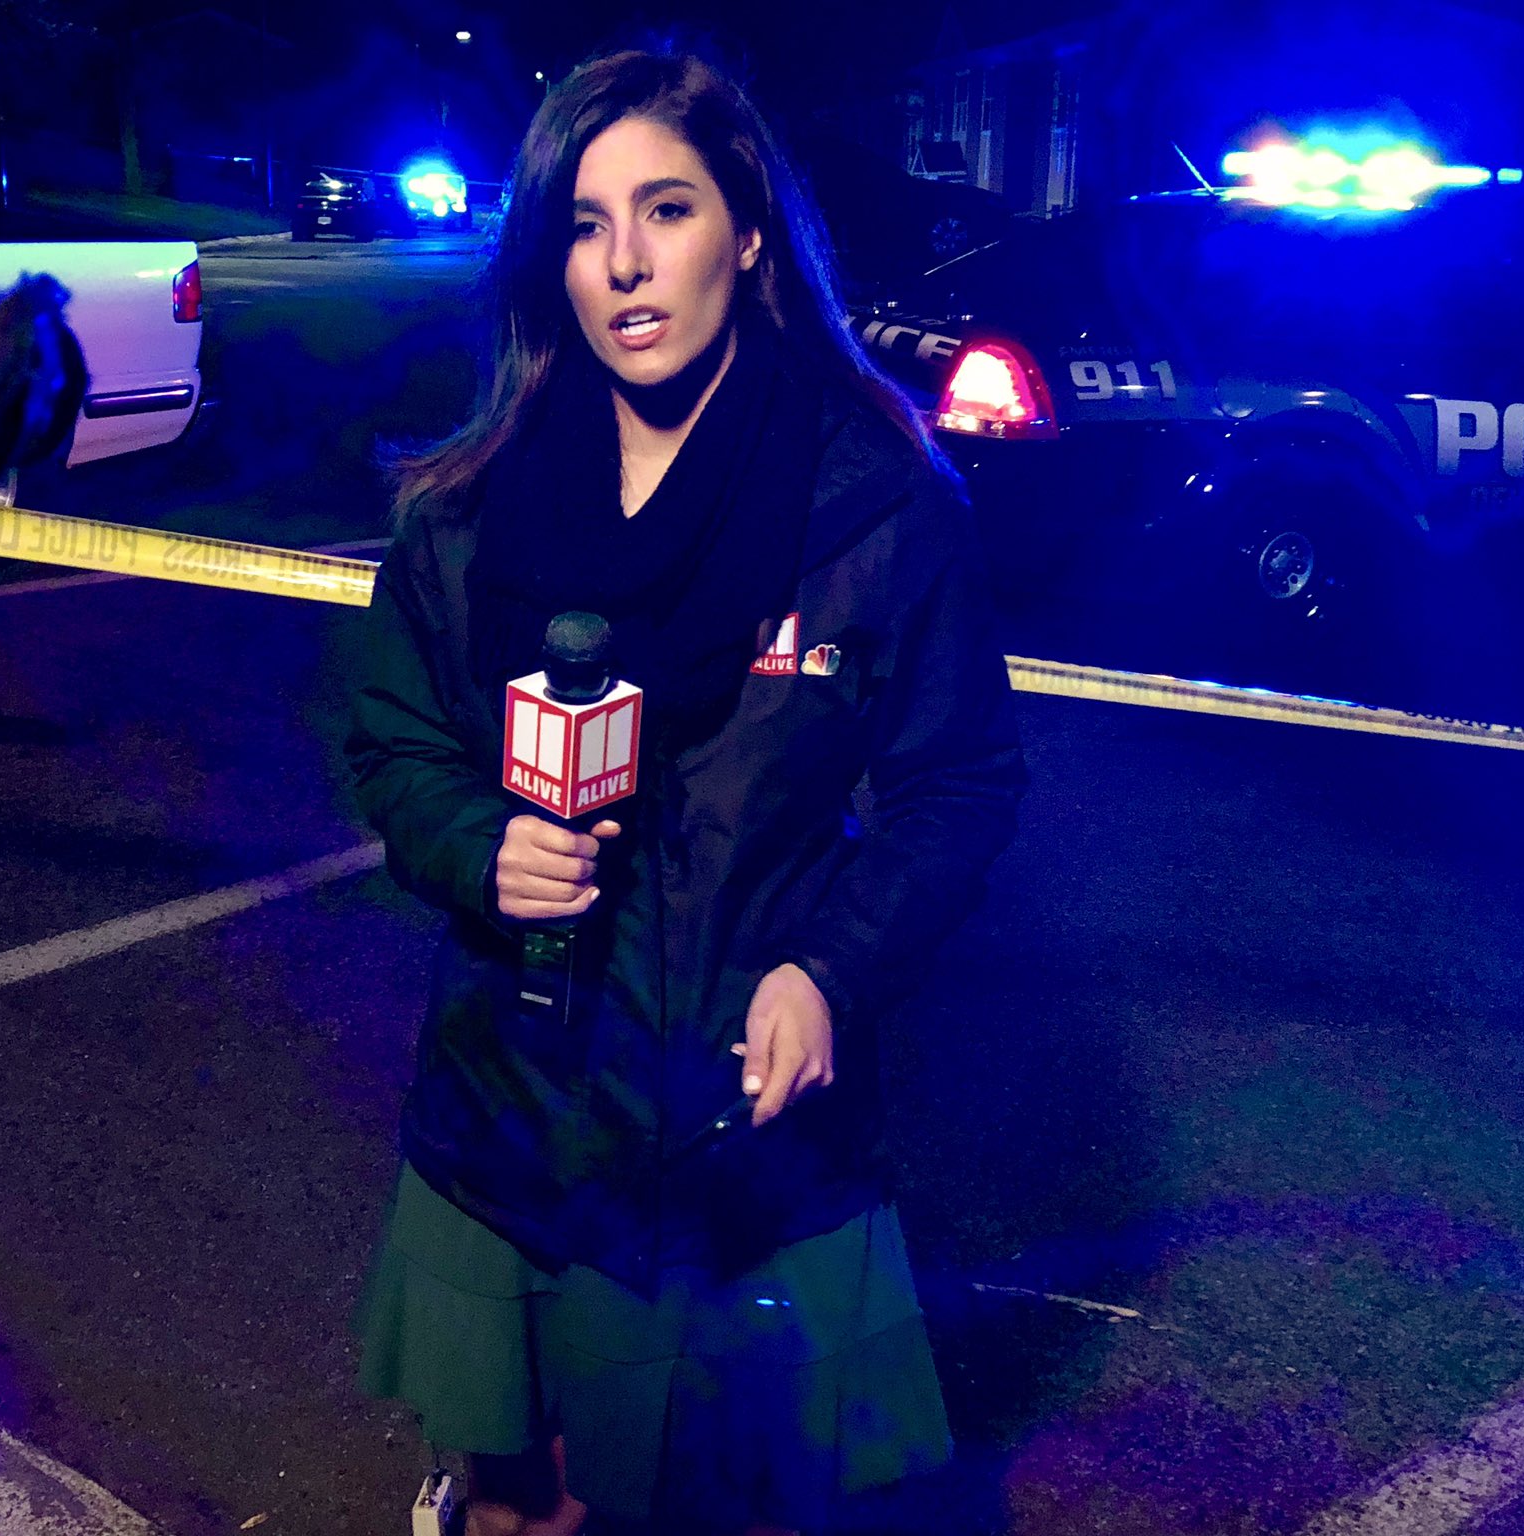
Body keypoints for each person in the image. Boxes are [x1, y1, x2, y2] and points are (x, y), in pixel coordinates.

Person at [346, 47, 1025, 1536]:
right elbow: (395, 742)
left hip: (750, 1150)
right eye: (585, 225)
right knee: (520, 1509)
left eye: (667, 210)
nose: (625, 265)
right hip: (513, 1121)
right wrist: (477, 845)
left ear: (751, 234)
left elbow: (958, 781)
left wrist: (830, 969)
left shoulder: (876, 505)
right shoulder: (468, 505)